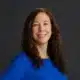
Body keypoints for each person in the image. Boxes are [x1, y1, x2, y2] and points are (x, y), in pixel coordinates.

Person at [2, 8, 68, 80]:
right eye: (36, 24)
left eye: (45, 23)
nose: (41, 29)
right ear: (30, 30)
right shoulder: (23, 61)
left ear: (52, 29)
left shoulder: (56, 61)